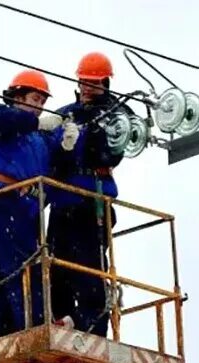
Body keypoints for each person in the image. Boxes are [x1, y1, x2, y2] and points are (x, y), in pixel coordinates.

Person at [0, 69, 78, 342]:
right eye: (35, 99)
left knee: (12, 271)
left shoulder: (37, 142)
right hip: (1, 200)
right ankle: (37, 327)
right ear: (17, 96)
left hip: (26, 208)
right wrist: (38, 124)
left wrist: (67, 147)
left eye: (42, 102)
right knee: (24, 266)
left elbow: (56, 171)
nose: (39, 107)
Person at [47, 52, 133, 337]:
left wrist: (91, 133)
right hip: (62, 202)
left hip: (92, 201)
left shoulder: (116, 115)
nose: (87, 88)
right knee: (55, 265)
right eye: (83, 82)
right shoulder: (67, 113)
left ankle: (93, 326)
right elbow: (50, 154)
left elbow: (116, 149)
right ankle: (60, 319)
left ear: (105, 84)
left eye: (93, 84)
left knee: (89, 268)